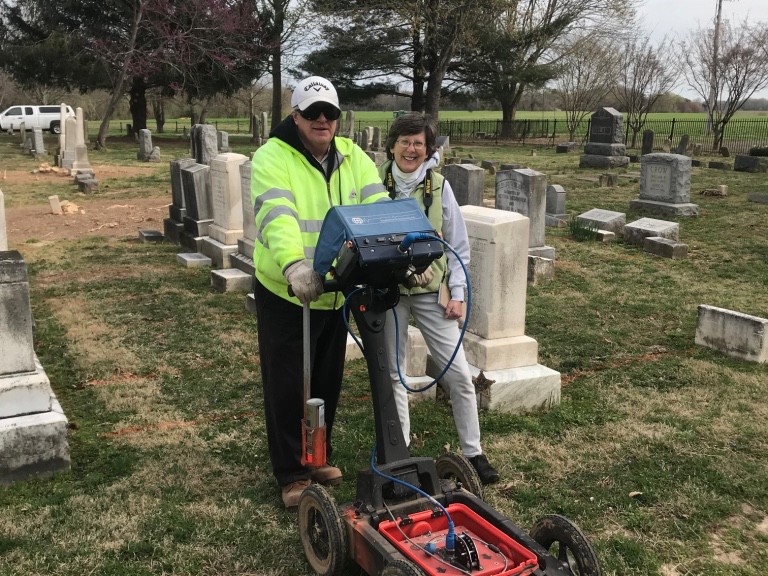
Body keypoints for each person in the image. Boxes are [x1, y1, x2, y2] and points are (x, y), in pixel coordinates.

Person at [250, 76, 389, 508]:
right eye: (313, 113)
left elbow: (378, 205)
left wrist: (397, 247)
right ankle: (291, 471)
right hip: (288, 290)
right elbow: (278, 214)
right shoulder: (273, 157)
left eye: (330, 112)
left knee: (327, 380)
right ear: (296, 117)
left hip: (335, 289)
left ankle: (317, 458)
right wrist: (293, 264)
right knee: (289, 381)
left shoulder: (353, 156)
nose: (323, 120)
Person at [380, 113, 499, 485]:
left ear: (428, 149)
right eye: (405, 141)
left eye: (419, 143)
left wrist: (459, 293)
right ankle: (400, 455)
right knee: (395, 375)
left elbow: (457, 245)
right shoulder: (373, 182)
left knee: (459, 374)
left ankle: (473, 452)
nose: (411, 149)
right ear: (392, 145)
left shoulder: (440, 186)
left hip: (433, 293)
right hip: (390, 293)